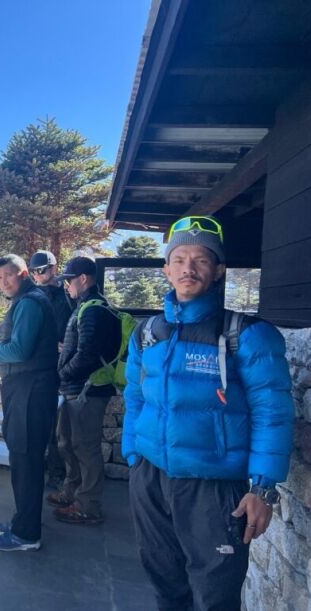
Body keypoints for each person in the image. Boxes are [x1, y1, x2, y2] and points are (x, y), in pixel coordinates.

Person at [122, 216, 294, 610]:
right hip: (151, 478)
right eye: (179, 259)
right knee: (165, 583)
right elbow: (135, 397)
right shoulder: (148, 333)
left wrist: (262, 488)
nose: (188, 268)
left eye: (200, 260)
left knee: (214, 595)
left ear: (217, 270)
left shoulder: (247, 334)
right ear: (166, 269)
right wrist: (134, 456)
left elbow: (274, 411)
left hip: (214, 488)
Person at [0, 254, 59, 552]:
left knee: (27, 459)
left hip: (30, 390)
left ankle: (26, 534)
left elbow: (20, 350)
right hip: (26, 389)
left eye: (8, 275)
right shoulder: (27, 301)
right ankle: (23, 521)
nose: (3, 282)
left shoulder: (31, 303)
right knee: (23, 458)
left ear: (23, 274)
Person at [50, 256, 121, 525]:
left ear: (83, 278)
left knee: (85, 447)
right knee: (66, 442)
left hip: (87, 392)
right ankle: (71, 492)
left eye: (69, 280)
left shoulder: (94, 310)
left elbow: (87, 356)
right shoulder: (85, 307)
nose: (66, 285)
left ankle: (88, 505)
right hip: (76, 391)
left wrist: (61, 373)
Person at [29, 250, 73, 490]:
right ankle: (41, 472)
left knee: (59, 426)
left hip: (61, 369)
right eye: (35, 270)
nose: (38, 274)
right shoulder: (31, 296)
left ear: (54, 268)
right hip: (37, 368)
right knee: (40, 424)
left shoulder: (67, 297)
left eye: (42, 269)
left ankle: (58, 476)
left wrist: (67, 345)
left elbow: (76, 326)